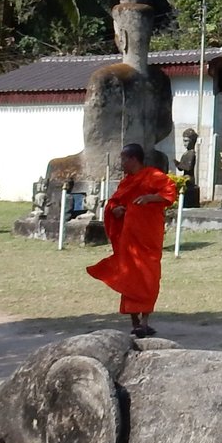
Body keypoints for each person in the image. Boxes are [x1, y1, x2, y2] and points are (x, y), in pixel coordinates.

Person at [86, 142, 177, 337]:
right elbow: (114, 202)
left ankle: (145, 321)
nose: (121, 163)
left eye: (123, 159)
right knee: (129, 276)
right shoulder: (126, 182)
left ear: (133, 159)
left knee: (149, 277)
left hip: (148, 238)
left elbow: (170, 192)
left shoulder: (153, 176)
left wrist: (149, 198)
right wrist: (115, 209)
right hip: (129, 239)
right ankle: (135, 322)